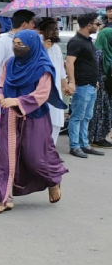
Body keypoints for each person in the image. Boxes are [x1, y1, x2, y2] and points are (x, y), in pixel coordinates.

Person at [0, 30, 68, 214]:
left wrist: (18, 101)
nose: (16, 47)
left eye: (20, 44)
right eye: (14, 43)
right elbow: (2, 83)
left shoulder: (42, 67)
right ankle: (4, 197)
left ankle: (53, 180)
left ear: (32, 46)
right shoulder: (10, 64)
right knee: (4, 157)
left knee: (36, 158)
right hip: (9, 117)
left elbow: (42, 93)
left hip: (35, 118)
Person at [65, 13, 104, 158]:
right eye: (96, 23)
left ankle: (84, 144)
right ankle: (75, 146)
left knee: (87, 116)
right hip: (81, 85)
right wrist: (72, 82)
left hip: (91, 85)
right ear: (89, 25)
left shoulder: (88, 41)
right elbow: (69, 62)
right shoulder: (76, 42)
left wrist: (96, 81)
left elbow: (89, 63)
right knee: (77, 116)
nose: (98, 26)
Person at [0, 10, 36, 90]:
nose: (34, 26)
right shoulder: (3, 40)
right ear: (25, 24)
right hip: (5, 89)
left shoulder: (29, 41)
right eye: (32, 23)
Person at [40, 19, 68, 146]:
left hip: (56, 91)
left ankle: (51, 153)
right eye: (52, 29)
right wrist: (43, 49)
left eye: (57, 29)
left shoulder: (56, 48)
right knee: (43, 125)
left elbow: (61, 70)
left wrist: (65, 85)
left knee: (56, 123)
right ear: (43, 31)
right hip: (42, 93)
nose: (56, 31)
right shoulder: (38, 46)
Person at [89, 32, 112, 149]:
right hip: (99, 86)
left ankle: (99, 137)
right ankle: (96, 138)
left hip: (106, 87)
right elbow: (95, 69)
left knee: (105, 112)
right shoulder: (99, 52)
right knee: (99, 113)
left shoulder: (109, 51)